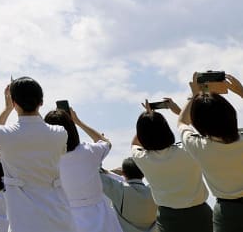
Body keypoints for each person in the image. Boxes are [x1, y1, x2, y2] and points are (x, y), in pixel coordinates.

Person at [0, 78, 73, 232]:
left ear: (14, 102)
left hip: (24, 222)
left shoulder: (3, 134)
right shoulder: (59, 133)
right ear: (41, 102)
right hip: (60, 217)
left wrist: (7, 108)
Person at [129, 101, 211, 232]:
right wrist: (179, 112)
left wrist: (148, 118)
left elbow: (135, 143)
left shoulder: (141, 157)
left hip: (168, 218)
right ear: (166, 129)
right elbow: (197, 131)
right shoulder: (188, 149)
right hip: (200, 214)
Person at [179, 73, 243, 231]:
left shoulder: (197, 146)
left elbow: (182, 122)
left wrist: (194, 95)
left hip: (227, 213)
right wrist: (241, 91)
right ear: (231, 114)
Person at [43, 106, 122, 232]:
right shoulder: (89, 151)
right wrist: (78, 122)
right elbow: (105, 142)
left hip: (68, 220)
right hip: (102, 219)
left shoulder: (46, 161)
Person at [99, 159, 157, 232]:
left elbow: (94, 173)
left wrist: (112, 172)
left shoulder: (120, 189)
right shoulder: (155, 192)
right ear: (143, 173)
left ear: (123, 173)